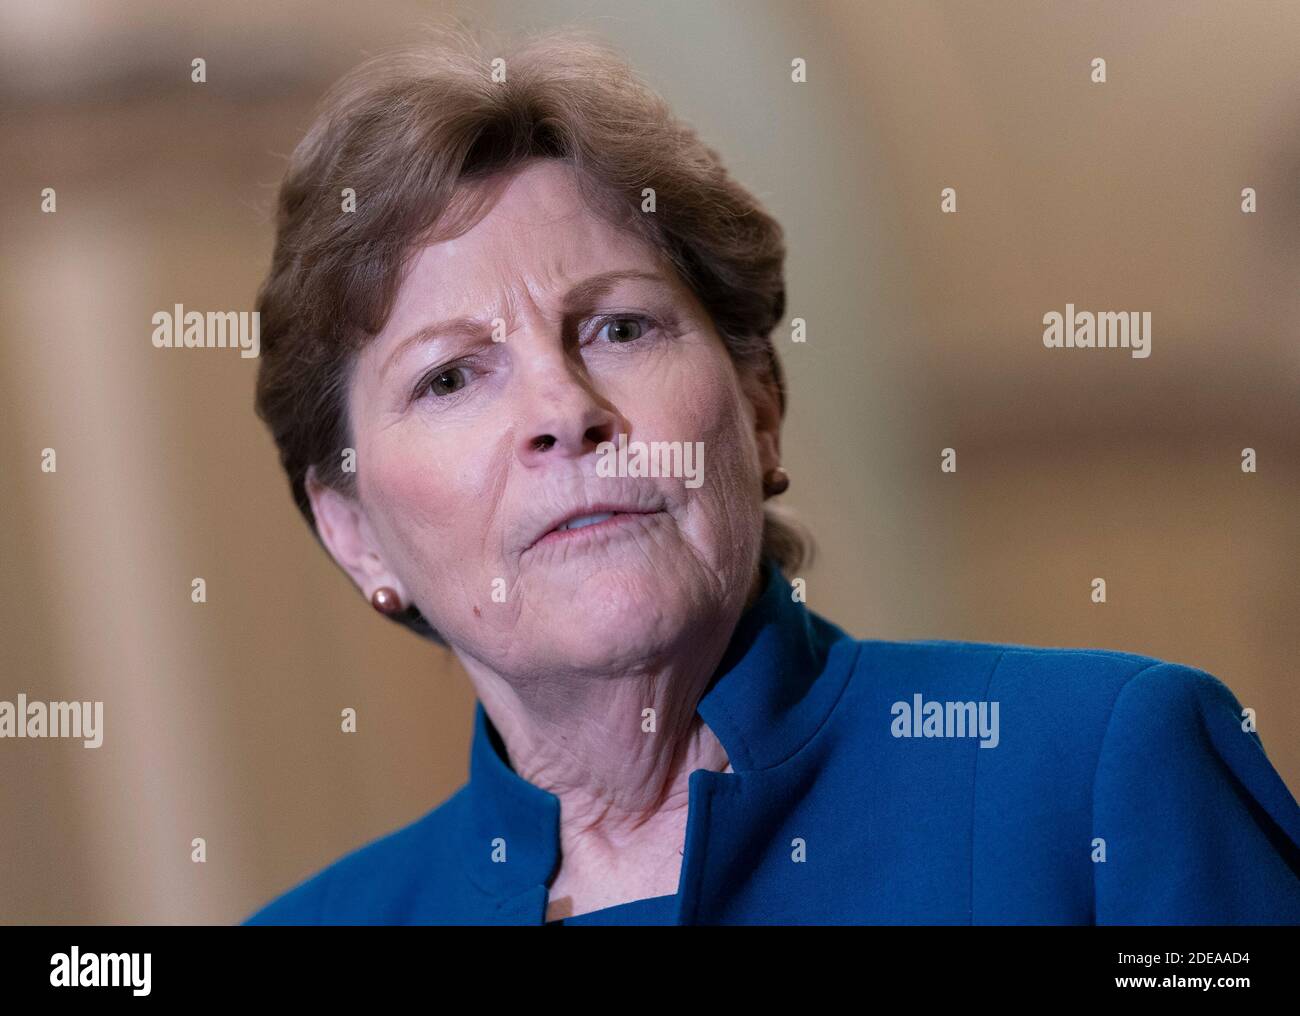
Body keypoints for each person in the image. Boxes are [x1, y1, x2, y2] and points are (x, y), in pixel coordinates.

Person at [243, 25, 1300, 925]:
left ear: (759, 404)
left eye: (617, 326)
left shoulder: (1097, 778)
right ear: (355, 533)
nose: (563, 412)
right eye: (450, 377)